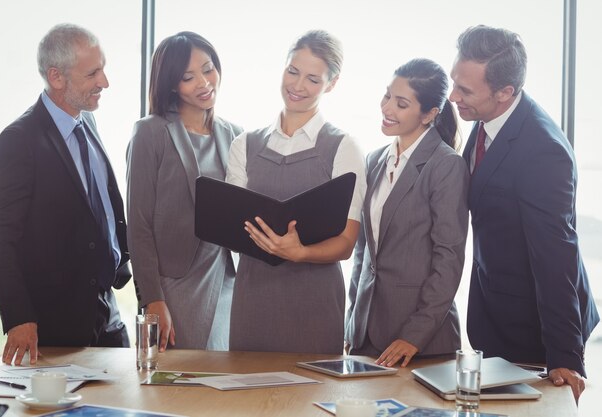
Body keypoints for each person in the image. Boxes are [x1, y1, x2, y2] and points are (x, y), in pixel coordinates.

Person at [449, 25, 599, 401]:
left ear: (505, 93)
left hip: (535, 326)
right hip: (494, 310)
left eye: (465, 90)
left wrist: (565, 355)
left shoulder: (542, 151)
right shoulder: (485, 120)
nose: (453, 96)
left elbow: (556, 254)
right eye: (454, 83)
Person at [0, 23, 131, 365]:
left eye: (103, 69)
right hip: (55, 326)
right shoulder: (19, 139)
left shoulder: (87, 122)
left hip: (108, 315)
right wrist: (18, 316)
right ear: (56, 77)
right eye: (93, 73)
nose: (104, 82)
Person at [225, 29, 366, 354]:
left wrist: (300, 253)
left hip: (314, 300)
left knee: (311, 401)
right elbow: (234, 224)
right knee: (248, 397)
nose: (298, 86)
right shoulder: (245, 144)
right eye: (293, 71)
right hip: (253, 297)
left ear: (331, 84)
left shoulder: (343, 148)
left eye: (313, 79)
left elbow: (346, 243)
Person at [345, 58, 469, 367]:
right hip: (366, 337)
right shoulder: (374, 160)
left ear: (429, 114)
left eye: (401, 104)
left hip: (421, 343)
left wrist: (414, 335)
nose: (386, 108)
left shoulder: (446, 165)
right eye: (387, 96)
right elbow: (364, 253)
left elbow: (449, 260)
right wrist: (352, 322)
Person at [127, 32, 242, 351]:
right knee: (176, 385)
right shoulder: (150, 133)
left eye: (208, 69)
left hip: (225, 279)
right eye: (188, 77)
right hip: (173, 287)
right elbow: (139, 225)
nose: (204, 82)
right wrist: (152, 299)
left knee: (222, 382)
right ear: (172, 84)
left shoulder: (236, 135)